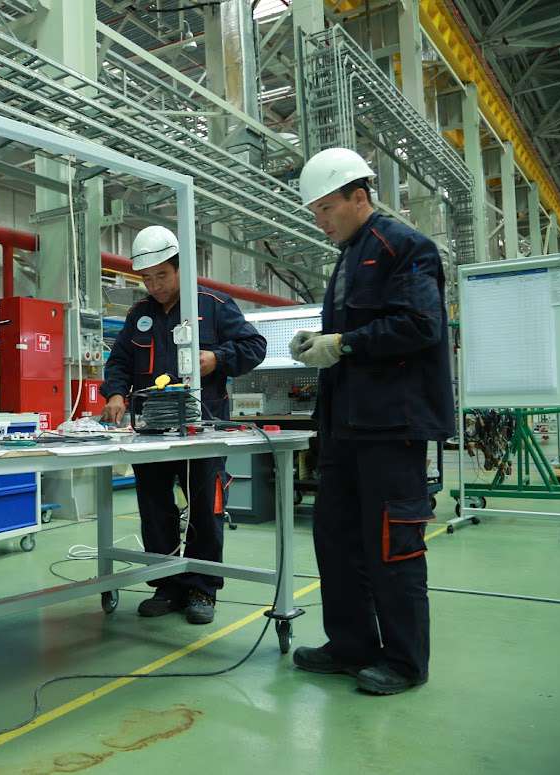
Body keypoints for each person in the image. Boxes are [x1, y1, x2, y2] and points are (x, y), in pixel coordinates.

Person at [289, 147, 453, 695]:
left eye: (326, 209)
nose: (320, 221)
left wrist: (343, 344)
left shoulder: (403, 247)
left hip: (391, 427)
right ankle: (351, 645)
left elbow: (420, 325)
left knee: (391, 544)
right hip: (344, 428)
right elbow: (353, 336)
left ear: (359, 197)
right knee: (336, 539)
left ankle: (405, 662)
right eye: (315, 212)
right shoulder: (348, 256)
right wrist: (320, 342)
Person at [101, 225, 266, 624]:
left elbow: (254, 346)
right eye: (147, 278)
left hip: (202, 428)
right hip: (151, 431)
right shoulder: (139, 315)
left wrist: (218, 359)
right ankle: (167, 584)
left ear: (180, 269)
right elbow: (120, 360)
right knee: (155, 508)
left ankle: (202, 588)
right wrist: (116, 393)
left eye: (162, 275)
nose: (155, 286)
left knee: (204, 510)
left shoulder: (213, 305)